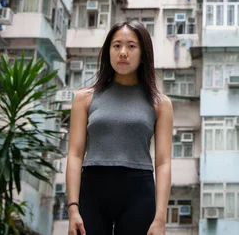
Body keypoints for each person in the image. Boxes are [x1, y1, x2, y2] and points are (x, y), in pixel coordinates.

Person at [65, 19, 173, 235]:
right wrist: (73, 208)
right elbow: (75, 155)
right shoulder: (84, 99)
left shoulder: (160, 104)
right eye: (117, 46)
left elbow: (163, 163)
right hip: (93, 192)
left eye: (131, 46)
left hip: (139, 193)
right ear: (108, 52)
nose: (123, 52)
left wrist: (160, 218)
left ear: (143, 54)